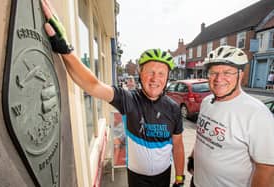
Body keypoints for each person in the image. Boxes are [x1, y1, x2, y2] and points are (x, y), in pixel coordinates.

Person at [41, 1, 185, 186]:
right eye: (150, 72)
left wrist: (180, 178)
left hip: (163, 176)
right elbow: (92, 85)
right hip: (136, 178)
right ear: (140, 74)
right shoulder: (128, 99)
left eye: (161, 73)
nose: (155, 78)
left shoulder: (173, 109)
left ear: (167, 78)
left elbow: (178, 145)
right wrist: (65, 49)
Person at [187, 45, 274, 187]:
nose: (218, 78)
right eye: (213, 72)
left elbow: (267, 168)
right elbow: (202, 135)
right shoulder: (207, 101)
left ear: (241, 75)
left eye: (227, 72)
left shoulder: (257, 114)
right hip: (196, 182)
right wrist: (193, 156)